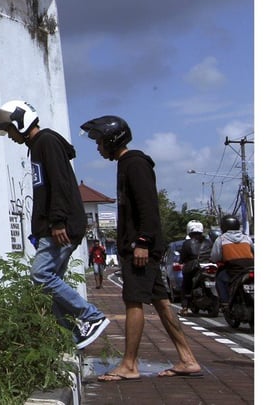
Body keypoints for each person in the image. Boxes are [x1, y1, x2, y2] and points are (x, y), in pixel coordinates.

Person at [80, 115, 203, 381]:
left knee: (133, 301)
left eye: (100, 142)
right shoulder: (127, 163)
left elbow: (148, 205)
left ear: (113, 140)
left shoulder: (134, 163)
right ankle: (187, 359)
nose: (98, 148)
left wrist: (143, 242)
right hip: (140, 247)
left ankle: (129, 365)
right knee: (161, 302)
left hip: (140, 249)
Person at [0, 100, 109, 349]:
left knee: (41, 275)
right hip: (53, 226)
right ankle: (70, 338)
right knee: (48, 285)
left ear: (20, 123)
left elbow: (59, 183)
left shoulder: (47, 142)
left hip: (60, 226)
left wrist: (57, 221)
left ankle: (91, 316)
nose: (10, 136)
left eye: (10, 130)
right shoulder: (38, 145)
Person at [210, 214, 254, 308]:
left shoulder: (221, 239)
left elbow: (215, 257)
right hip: (250, 268)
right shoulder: (246, 238)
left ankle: (225, 302)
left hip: (233, 270)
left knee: (220, 279)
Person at [178, 220, 212, 315]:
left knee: (186, 286)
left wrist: (181, 261)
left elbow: (182, 258)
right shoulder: (208, 242)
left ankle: (185, 306)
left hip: (193, 267)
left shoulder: (187, 243)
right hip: (208, 265)